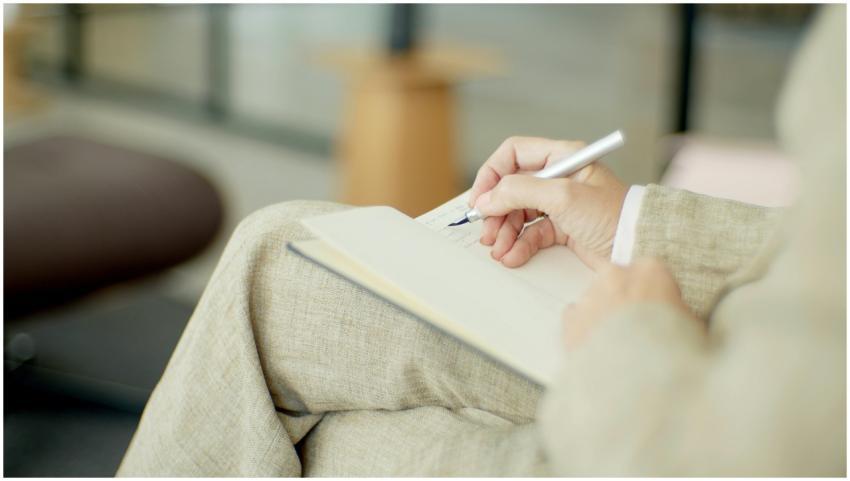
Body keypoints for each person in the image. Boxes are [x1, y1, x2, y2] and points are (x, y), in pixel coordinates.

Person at [118, 5, 845, 476]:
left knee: (326, 448)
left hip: (701, 418)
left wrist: (638, 341)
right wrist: (634, 223)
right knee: (277, 256)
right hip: (749, 338)